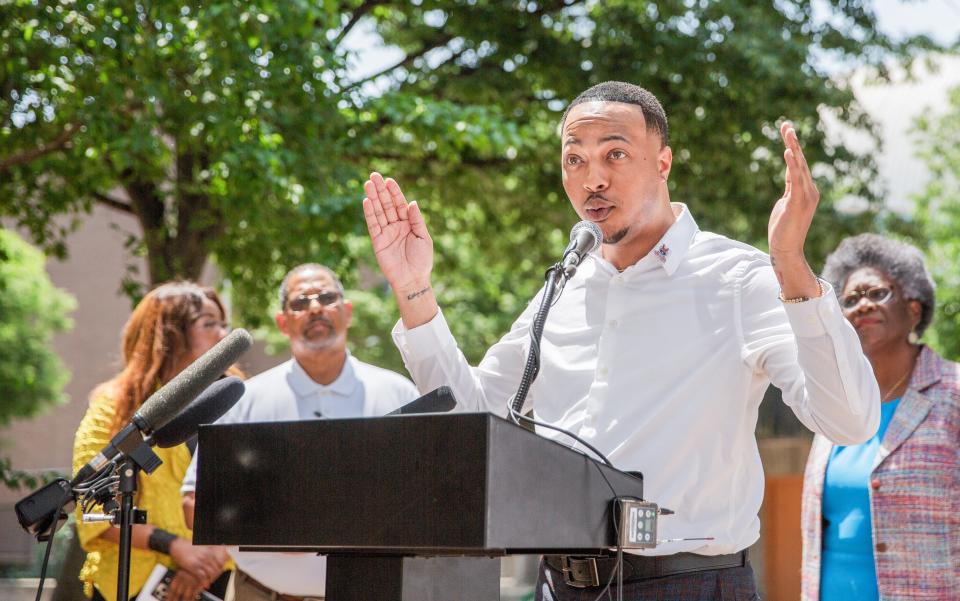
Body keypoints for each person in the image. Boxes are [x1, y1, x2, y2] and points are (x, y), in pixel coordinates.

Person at [361, 81, 881, 600]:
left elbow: (849, 422)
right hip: (556, 584)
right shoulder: (562, 287)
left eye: (615, 154)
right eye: (574, 160)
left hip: (688, 583)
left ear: (663, 163)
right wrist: (413, 288)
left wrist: (792, 266)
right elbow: (470, 415)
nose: (593, 179)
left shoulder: (741, 278)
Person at [181, 263, 420, 601]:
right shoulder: (244, 400)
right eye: (300, 302)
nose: (315, 307)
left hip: (372, 591)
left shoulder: (399, 395)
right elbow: (194, 504)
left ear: (347, 311)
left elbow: (427, 500)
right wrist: (278, 525)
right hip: (262, 593)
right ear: (282, 321)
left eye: (326, 297)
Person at [800, 234, 959, 600]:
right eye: (851, 300)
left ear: (914, 308)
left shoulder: (953, 392)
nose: (863, 306)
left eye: (877, 293)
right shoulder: (835, 402)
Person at [73, 282, 237, 601]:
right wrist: (173, 546)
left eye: (223, 324)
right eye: (209, 324)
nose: (222, 335)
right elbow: (88, 503)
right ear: (170, 334)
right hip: (133, 582)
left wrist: (209, 558)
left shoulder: (234, 399)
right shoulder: (114, 406)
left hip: (217, 578)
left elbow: (255, 492)